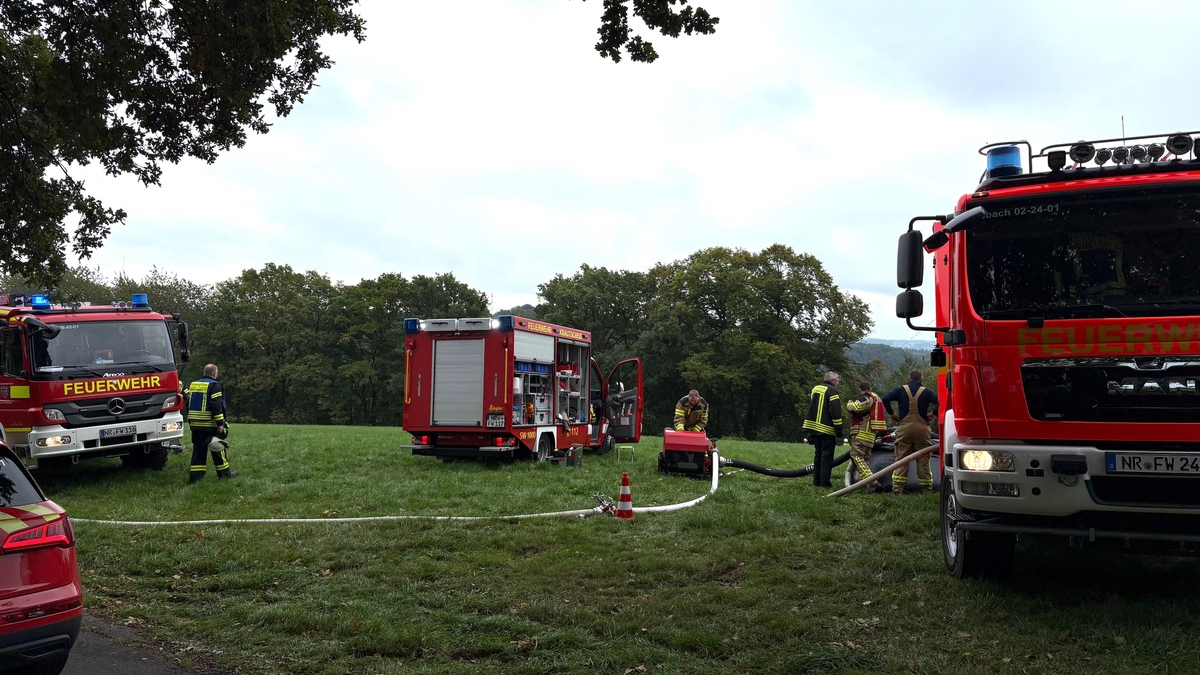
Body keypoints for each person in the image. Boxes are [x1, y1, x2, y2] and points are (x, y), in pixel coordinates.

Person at [881, 369, 939, 493]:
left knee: (901, 460)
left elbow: (885, 398)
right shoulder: (927, 392)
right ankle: (926, 489)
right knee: (923, 461)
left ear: (909, 378)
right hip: (922, 430)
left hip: (904, 429)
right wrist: (934, 414)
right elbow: (941, 402)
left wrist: (892, 414)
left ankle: (897, 489)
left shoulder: (900, 390)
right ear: (921, 380)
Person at [185, 363, 236, 483]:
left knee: (198, 451)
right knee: (218, 448)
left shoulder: (194, 384)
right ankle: (225, 475)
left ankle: (196, 478)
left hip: (195, 424)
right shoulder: (214, 385)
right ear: (214, 373)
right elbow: (216, 405)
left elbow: (189, 404)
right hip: (210, 424)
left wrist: (191, 422)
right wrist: (220, 424)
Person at [802, 371, 843, 488]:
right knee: (827, 457)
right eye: (837, 381)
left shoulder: (816, 388)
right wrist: (838, 430)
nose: (838, 383)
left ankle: (816, 480)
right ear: (833, 381)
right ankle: (824, 483)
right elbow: (835, 411)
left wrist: (810, 431)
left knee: (818, 455)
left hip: (814, 428)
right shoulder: (832, 391)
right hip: (826, 429)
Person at [845, 380, 887, 493]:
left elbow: (855, 408)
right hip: (871, 434)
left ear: (860, 390)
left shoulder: (866, 397)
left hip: (862, 433)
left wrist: (849, 403)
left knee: (856, 456)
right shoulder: (876, 398)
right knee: (865, 460)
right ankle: (869, 486)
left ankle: (873, 482)